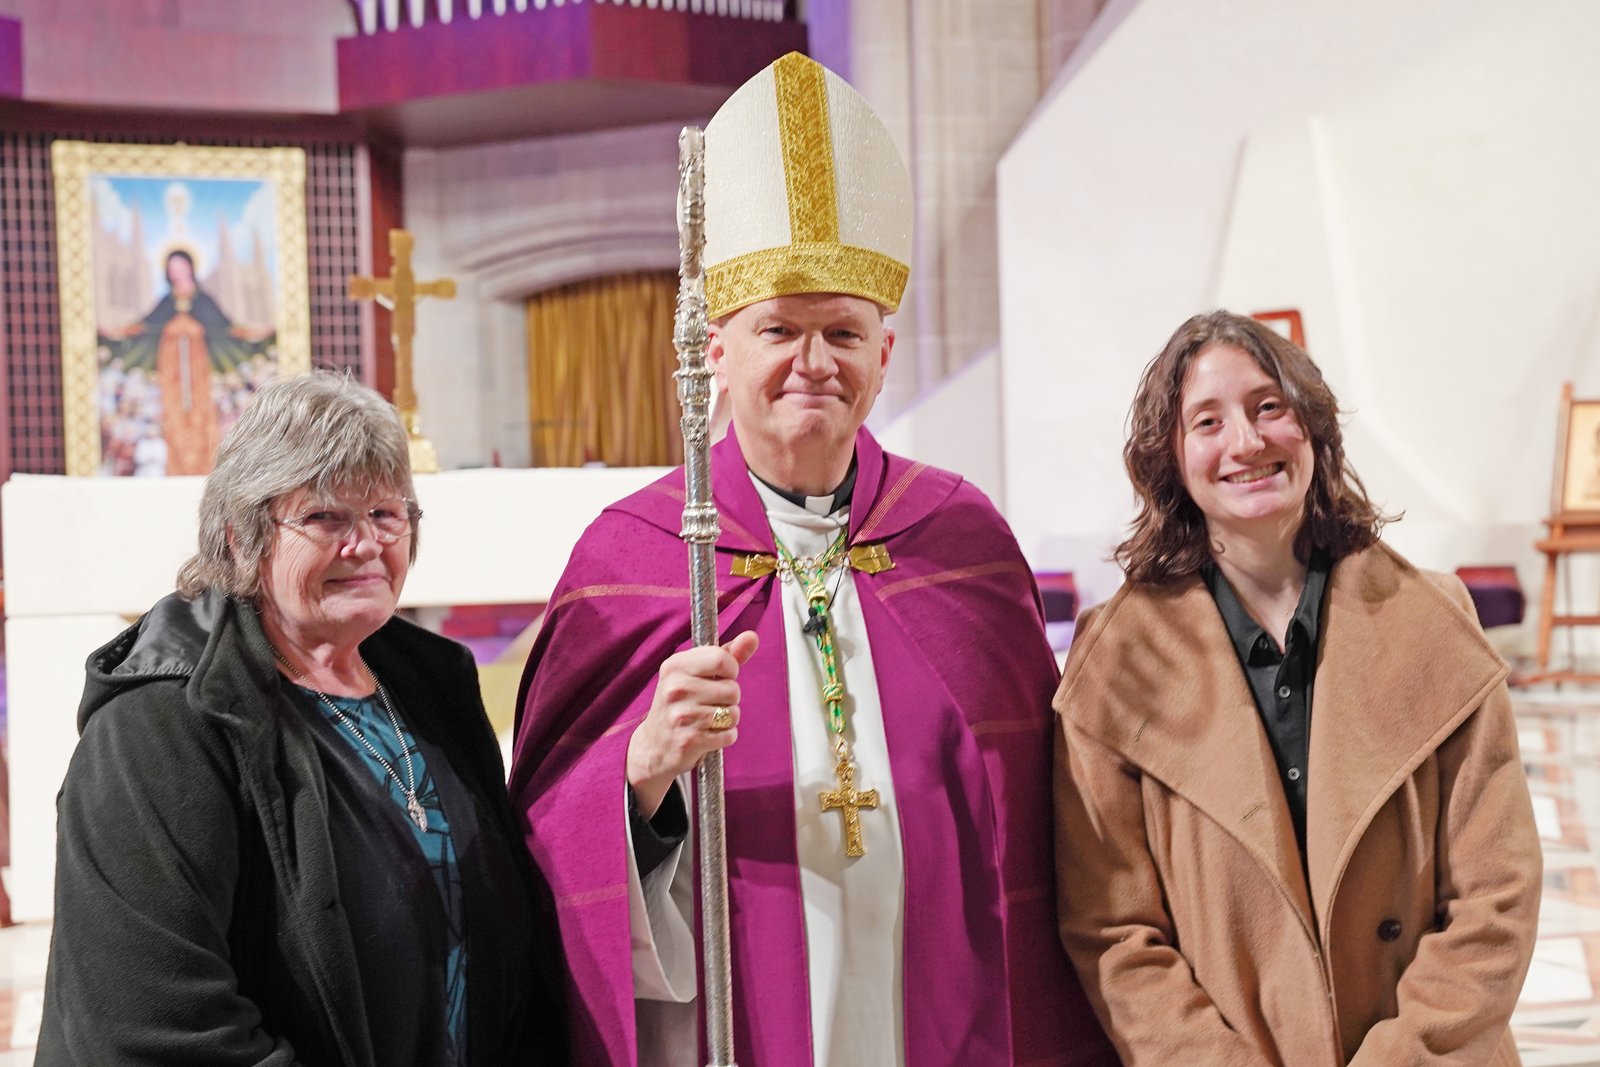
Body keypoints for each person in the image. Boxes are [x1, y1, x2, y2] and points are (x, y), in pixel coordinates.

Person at [511, 51, 1112, 1067]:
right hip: (737, 1011)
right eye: (778, 330)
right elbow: (543, 825)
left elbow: (1042, 810)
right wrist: (641, 769)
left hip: (941, 1001)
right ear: (717, 350)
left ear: (884, 353)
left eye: (843, 330)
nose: (813, 361)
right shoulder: (635, 557)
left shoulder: (958, 536)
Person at [1052, 310, 1542, 1065]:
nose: (1246, 442)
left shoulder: (1435, 621)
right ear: (1171, 457)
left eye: (1268, 407)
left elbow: (1497, 894)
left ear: (1311, 428)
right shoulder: (1114, 664)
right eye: (1207, 421)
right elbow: (1114, 932)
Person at [37, 371, 566, 1065]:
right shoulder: (160, 722)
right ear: (242, 534)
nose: (367, 542)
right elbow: (155, 1024)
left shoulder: (431, 688)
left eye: (386, 513)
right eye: (325, 517)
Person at [100, 248, 275, 475]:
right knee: (172, 410)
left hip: (197, 365)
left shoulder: (203, 300)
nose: (177, 273)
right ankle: (174, 466)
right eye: (172, 269)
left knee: (201, 411)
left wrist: (255, 333)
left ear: (190, 267)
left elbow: (227, 327)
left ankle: (204, 465)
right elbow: (145, 325)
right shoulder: (167, 301)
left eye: (180, 267)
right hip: (170, 364)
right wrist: (116, 332)